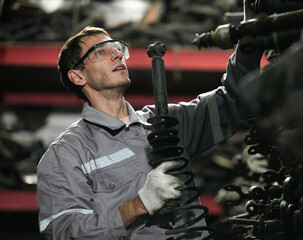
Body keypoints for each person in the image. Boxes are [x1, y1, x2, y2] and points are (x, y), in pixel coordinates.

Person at [36, 26, 261, 239]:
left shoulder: (167, 123)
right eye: (101, 52)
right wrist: (138, 205)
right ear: (78, 77)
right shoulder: (66, 153)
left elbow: (234, 102)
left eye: (118, 48)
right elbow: (63, 230)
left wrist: (249, 40)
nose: (117, 54)